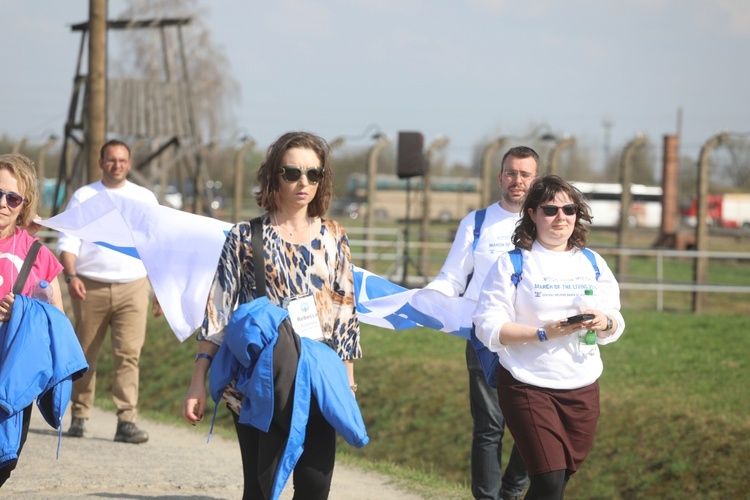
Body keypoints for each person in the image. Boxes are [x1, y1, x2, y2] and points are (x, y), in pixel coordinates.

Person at [182, 131, 363, 499]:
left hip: (317, 374)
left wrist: (347, 382)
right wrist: (198, 379)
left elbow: (346, 311)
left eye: (314, 174)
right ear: (273, 177)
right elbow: (217, 311)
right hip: (259, 376)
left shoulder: (334, 235)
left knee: (315, 484)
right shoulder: (245, 236)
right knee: (262, 488)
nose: (303, 182)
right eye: (292, 172)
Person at [472, 175, 625, 499]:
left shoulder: (592, 262)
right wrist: (542, 333)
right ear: (532, 214)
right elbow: (488, 326)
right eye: (550, 210)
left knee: (558, 479)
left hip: (582, 387)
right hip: (527, 385)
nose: (561, 218)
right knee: (548, 481)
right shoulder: (512, 263)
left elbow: (615, 319)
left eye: (569, 210)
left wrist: (604, 321)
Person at [424, 146, 537, 499]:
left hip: (534, 341)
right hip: (484, 338)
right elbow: (453, 278)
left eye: (525, 174)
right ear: (500, 176)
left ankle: (513, 491)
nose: (517, 180)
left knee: (531, 426)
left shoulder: (547, 223)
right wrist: (425, 297)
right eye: (511, 173)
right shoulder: (476, 223)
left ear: (536, 179)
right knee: (489, 426)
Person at [58, 139, 161, 444]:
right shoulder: (85, 196)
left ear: (129, 164)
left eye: (122, 160)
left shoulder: (144, 197)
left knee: (128, 354)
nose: (117, 165)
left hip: (134, 286)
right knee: (85, 353)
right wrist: (71, 275)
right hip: (90, 286)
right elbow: (68, 242)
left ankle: (126, 420)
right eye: (111, 160)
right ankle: (79, 414)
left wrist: (161, 291)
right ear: (101, 162)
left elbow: (156, 245)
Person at [0, 153, 82, 486]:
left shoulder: (38, 255)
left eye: (12, 197)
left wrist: (25, 311)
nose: (3, 203)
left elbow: (57, 322)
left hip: (15, 370)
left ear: (24, 204)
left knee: (6, 458)